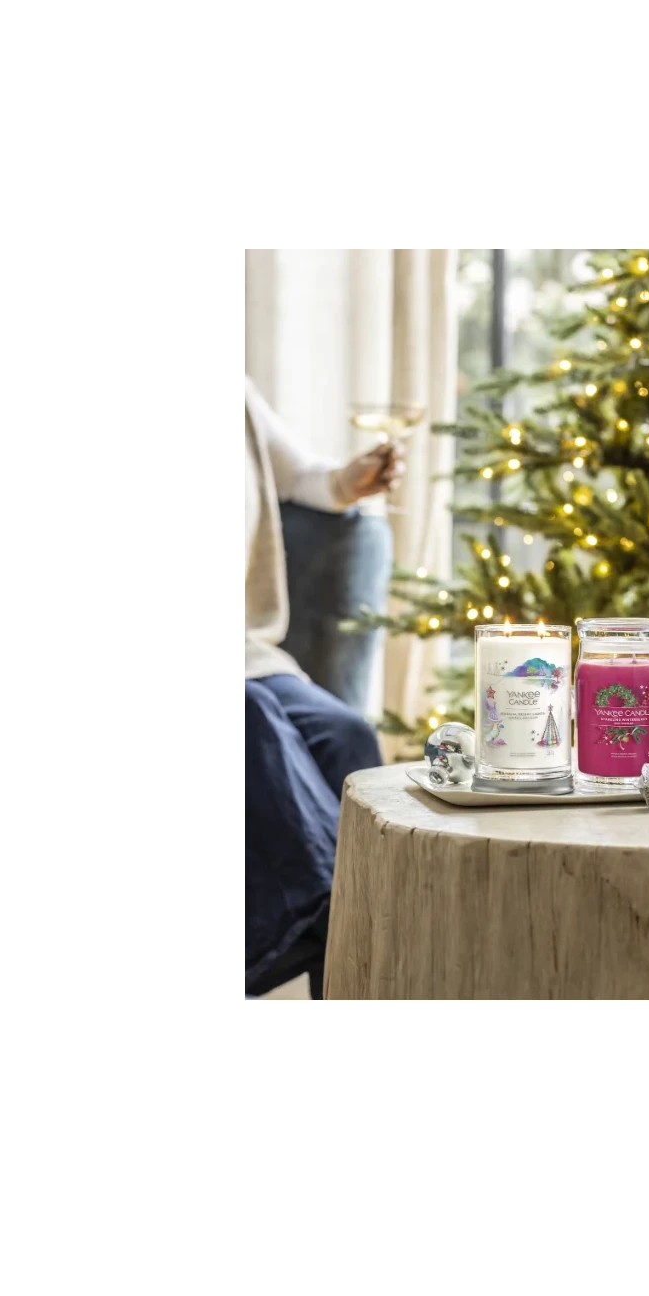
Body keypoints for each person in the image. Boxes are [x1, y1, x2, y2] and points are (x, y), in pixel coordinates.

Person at [244, 377, 402, 998]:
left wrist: (348, 481)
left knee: (345, 733)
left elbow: (302, 477)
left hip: (244, 649)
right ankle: (335, 924)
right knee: (252, 717)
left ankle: (355, 960)